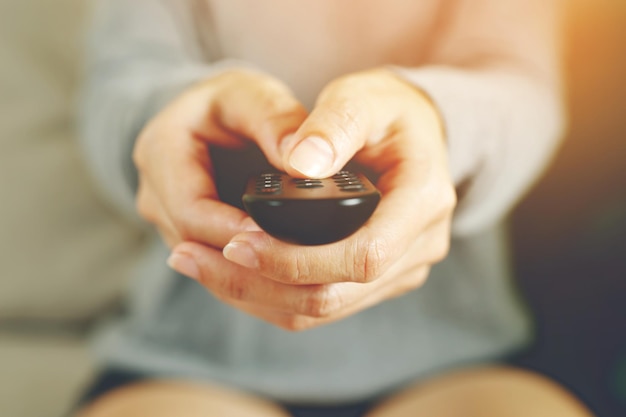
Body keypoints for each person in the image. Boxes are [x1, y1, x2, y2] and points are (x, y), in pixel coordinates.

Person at [74, 0, 593, 416]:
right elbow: (118, 81)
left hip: (456, 358)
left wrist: (437, 119)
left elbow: (521, 80)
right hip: (189, 360)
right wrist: (165, 124)